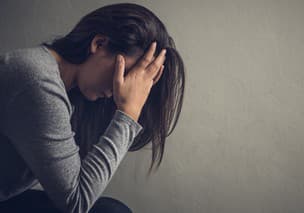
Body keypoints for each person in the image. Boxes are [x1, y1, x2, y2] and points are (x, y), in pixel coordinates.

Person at [0, 2, 185, 213]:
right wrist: (128, 112)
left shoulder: (69, 90)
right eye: (127, 74)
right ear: (99, 44)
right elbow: (76, 203)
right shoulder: (37, 81)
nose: (121, 89)